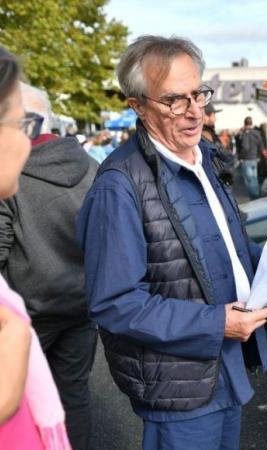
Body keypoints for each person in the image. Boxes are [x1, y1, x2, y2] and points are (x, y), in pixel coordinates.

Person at [76, 35, 267, 450]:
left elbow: (226, 248)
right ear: (136, 105)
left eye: (198, 95)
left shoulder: (206, 158)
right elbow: (114, 303)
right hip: (179, 385)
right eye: (174, 101)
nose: (194, 113)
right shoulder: (119, 186)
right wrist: (216, 323)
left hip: (226, 367)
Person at [0, 82, 99, 450]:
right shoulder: (89, 165)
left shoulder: (10, 171)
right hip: (82, 302)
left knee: (23, 402)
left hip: (27, 312)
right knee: (73, 394)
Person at [0, 45, 71, 450]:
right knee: (76, 390)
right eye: (19, 123)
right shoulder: (96, 169)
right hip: (76, 302)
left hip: (41, 299)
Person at [237, 116, 263, 199]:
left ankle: (254, 198)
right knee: (254, 179)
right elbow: (261, 146)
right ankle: (257, 196)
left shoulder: (245, 133)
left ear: (244, 124)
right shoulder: (257, 133)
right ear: (252, 123)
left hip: (246, 159)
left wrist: (241, 157)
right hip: (255, 158)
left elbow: (245, 147)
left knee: (249, 181)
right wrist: (258, 156)